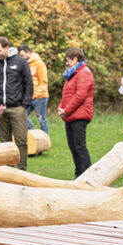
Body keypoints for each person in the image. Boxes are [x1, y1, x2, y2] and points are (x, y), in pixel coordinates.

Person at [0, 37, 33, 169]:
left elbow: (28, 83)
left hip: (17, 108)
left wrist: (25, 105)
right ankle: (8, 170)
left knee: (21, 140)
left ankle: (22, 170)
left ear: (6, 48)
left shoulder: (21, 62)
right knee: (5, 143)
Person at [56, 47, 94, 177]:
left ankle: (89, 175)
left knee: (80, 147)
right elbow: (66, 94)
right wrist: (61, 108)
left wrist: (66, 111)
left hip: (79, 115)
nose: (67, 63)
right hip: (70, 115)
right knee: (73, 147)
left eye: (68, 60)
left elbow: (80, 96)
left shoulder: (84, 73)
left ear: (75, 59)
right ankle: (79, 175)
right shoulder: (72, 74)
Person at [19, 45, 49, 134]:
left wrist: (38, 95)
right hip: (29, 96)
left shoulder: (39, 63)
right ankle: (33, 135)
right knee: (22, 115)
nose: (21, 57)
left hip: (40, 96)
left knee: (41, 120)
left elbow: (43, 80)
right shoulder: (24, 64)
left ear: (28, 52)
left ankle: (45, 139)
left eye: (22, 55)